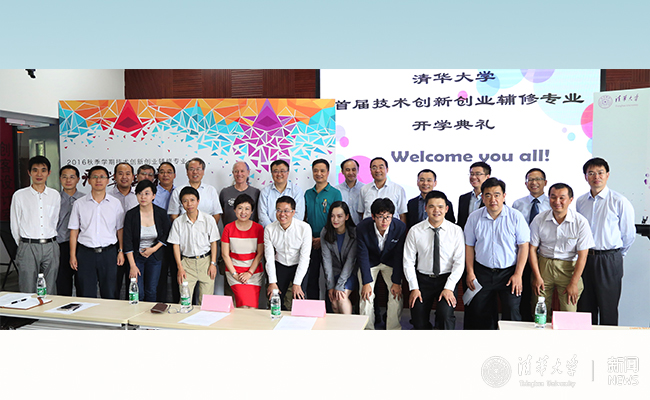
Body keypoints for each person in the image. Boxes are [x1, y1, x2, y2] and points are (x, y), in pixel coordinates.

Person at [464, 178, 530, 330]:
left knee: (512, 310)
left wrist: (518, 274)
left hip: (509, 272)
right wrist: (470, 272)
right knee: (481, 312)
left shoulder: (515, 216)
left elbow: (523, 246)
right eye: (488, 195)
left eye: (497, 195)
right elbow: (469, 246)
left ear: (504, 196)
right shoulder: (474, 217)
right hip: (482, 271)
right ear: (482, 197)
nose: (492, 199)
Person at [576, 157, 635, 326]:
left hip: (609, 259)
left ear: (607, 175)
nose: (596, 177)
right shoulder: (580, 201)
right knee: (585, 307)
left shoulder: (619, 201)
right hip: (585, 259)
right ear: (585, 177)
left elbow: (629, 234)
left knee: (608, 308)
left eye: (600, 172)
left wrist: (616, 255)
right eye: (591, 173)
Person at [529, 183, 594, 320]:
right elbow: (532, 249)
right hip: (543, 266)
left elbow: (583, 256)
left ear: (570, 200)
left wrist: (574, 283)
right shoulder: (539, 219)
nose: (557, 201)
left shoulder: (580, 222)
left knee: (569, 312)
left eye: (562, 198)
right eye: (553, 197)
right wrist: (537, 276)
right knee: (539, 310)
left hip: (569, 268)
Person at [403, 191, 464, 330]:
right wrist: (414, 287)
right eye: (431, 206)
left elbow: (459, 262)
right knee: (418, 319)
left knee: (445, 315)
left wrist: (449, 287)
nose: (436, 210)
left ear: (446, 209)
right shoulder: (415, 231)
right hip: (422, 281)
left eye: (440, 207)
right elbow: (408, 261)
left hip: (446, 279)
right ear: (425, 208)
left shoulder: (456, 231)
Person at [68, 165, 125, 299]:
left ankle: (109, 314)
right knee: (86, 293)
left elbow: (120, 230)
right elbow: (74, 231)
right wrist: (72, 255)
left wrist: (121, 251)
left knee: (110, 293)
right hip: (85, 253)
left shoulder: (115, 203)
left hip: (109, 253)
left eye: (102, 177)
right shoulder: (79, 203)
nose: (98, 180)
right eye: (94, 177)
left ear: (108, 180)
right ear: (88, 180)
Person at [10, 156, 61, 294]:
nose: (39, 174)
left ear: (49, 173)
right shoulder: (19, 195)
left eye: (43, 170)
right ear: (29, 172)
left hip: (50, 245)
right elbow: (15, 224)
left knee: (50, 286)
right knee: (27, 286)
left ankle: (47, 309)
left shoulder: (55, 195)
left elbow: (54, 220)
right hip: (28, 245)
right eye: (35, 170)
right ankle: (29, 309)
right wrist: (24, 244)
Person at [357, 198, 407, 330]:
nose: (384, 221)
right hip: (370, 262)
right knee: (366, 294)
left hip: (390, 262)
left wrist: (396, 282)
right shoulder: (362, 227)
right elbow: (362, 256)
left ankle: (393, 329)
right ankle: (367, 329)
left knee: (396, 293)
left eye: (388, 217)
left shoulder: (400, 227)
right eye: (380, 217)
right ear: (373, 216)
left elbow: (398, 256)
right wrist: (366, 282)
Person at [167, 187, 220, 305]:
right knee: (184, 301)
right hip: (187, 264)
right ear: (181, 204)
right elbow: (175, 245)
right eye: (185, 201)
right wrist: (180, 267)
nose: (189, 204)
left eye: (192, 200)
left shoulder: (208, 219)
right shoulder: (178, 222)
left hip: (205, 263)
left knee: (206, 302)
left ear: (198, 201)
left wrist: (213, 263)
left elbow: (214, 242)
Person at [511, 167, 551, 322]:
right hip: (521, 254)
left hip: (543, 254)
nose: (534, 182)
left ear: (545, 182)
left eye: (538, 179)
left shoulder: (552, 203)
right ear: (526, 183)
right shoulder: (518, 204)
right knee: (523, 291)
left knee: (540, 293)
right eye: (531, 180)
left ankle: (539, 322)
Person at [123, 180, 171, 302]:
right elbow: (127, 240)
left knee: (151, 290)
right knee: (138, 291)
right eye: (140, 193)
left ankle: (149, 314)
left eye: (147, 193)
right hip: (136, 257)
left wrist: (153, 249)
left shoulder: (160, 213)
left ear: (153, 196)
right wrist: (132, 265)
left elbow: (166, 234)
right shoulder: (131, 215)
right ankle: (136, 314)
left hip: (154, 256)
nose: (143, 197)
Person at [264, 196, 312, 310]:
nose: (282, 214)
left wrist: (297, 283)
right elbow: (269, 258)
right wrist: (272, 282)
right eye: (279, 210)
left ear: (293, 212)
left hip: (298, 265)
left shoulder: (304, 228)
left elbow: (305, 258)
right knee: (274, 299)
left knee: (299, 298)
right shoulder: (269, 229)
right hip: (280, 264)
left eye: (286, 211)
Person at [304, 159, 342, 300]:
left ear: (328, 172)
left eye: (322, 171)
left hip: (329, 240)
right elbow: (304, 217)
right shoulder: (308, 193)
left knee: (329, 276)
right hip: (310, 242)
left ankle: (329, 308)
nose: (319, 173)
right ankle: (312, 306)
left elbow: (338, 219)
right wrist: (310, 238)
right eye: (315, 170)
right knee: (311, 277)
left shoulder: (335, 193)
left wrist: (322, 239)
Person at [221, 194, 264, 308]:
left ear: (252, 211)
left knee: (253, 307)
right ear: (234, 210)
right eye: (240, 208)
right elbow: (225, 254)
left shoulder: (259, 228)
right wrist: (235, 274)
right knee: (244, 305)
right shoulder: (228, 228)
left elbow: (260, 254)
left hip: (254, 274)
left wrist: (249, 273)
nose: (243, 212)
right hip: (235, 272)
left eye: (247, 209)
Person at [320, 201, 357, 314]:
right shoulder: (325, 232)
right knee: (334, 302)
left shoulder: (354, 233)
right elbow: (326, 261)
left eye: (339, 216)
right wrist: (331, 286)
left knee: (341, 297)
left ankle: (348, 325)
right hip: (334, 272)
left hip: (351, 273)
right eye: (332, 216)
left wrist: (340, 285)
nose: (335, 220)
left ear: (347, 217)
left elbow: (350, 261)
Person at [110, 162, 139, 299]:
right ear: (114, 176)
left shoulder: (139, 196)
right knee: (113, 283)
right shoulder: (107, 196)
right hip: (113, 244)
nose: (124, 177)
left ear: (133, 177)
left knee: (133, 282)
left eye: (128, 174)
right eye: (120, 173)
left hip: (134, 245)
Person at [56, 165, 85, 296]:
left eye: (72, 177)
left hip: (81, 246)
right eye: (65, 177)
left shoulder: (85, 199)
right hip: (61, 245)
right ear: (60, 179)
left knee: (82, 283)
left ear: (78, 179)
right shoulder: (54, 199)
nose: (68, 180)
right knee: (62, 282)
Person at [168, 158, 223, 225]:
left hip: (207, 229)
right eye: (191, 169)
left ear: (203, 171)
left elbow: (217, 214)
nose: (195, 172)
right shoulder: (178, 191)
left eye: (198, 169)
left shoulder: (211, 190)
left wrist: (209, 228)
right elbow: (174, 216)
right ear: (187, 172)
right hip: (184, 229)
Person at [153, 161, 178, 303]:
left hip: (177, 240)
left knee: (177, 274)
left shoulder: (179, 192)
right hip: (158, 240)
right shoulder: (152, 193)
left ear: (174, 175)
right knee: (160, 276)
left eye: (169, 172)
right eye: (162, 172)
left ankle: (178, 304)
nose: (165, 175)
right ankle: (159, 304)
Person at [357, 157, 407, 224]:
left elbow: (402, 214)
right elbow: (362, 212)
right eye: (374, 168)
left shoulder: (398, 189)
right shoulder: (364, 189)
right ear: (370, 170)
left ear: (387, 169)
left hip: (391, 228)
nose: (377, 170)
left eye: (381, 167)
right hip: (369, 228)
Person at [258, 160, 305, 228]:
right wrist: (273, 230)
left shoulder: (297, 191)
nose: (279, 174)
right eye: (275, 171)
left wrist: (287, 228)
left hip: (292, 230)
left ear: (288, 172)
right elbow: (262, 215)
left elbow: (299, 214)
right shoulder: (265, 192)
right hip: (270, 231)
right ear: (271, 173)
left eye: (282, 171)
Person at [219, 160, 261, 226]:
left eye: (242, 171)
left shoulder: (256, 193)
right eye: (236, 171)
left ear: (248, 172)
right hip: (229, 230)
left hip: (251, 230)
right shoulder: (225, 192)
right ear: (233, 173)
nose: (239, 174)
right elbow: (220, 213)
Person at [457, 161, 491, 229]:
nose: (474, 177)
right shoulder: (463, 198)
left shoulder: (494, 198)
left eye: (478, 174)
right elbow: (461, 223)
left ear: (487, 177)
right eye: (471, 174)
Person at [335, 158, 364, 225]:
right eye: (347, 170)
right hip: (342, 228)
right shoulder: (337, 190)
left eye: (353, 170)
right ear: (342, 171)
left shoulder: (364, 189)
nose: (351, 173)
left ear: (358, 170)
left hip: (360, 227)